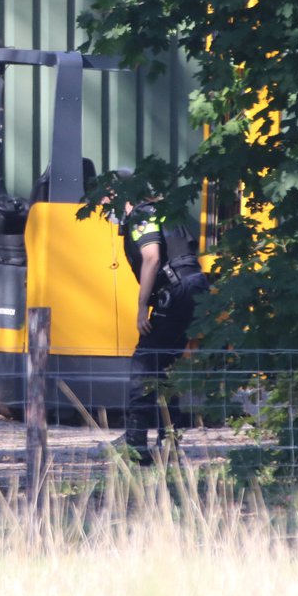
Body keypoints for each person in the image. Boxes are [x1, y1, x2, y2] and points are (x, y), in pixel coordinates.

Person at [112, 183, 210, 467]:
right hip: (194, 288)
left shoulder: (142, 215)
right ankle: (169, 443)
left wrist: (142, 306)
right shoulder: (165, 211)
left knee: (145, 363)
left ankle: (136, 444)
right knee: (166, 367)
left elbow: (152, 257)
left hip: (177, 290)